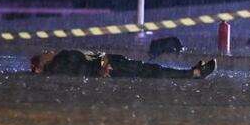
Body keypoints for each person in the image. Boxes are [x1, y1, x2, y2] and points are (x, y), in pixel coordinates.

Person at [30, 49, 216, 79]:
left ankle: (192, 72)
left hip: (111, 62)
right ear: (41, 63)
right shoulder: (58, 63)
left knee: (151, 71)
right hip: (112, 66)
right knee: (151, 72)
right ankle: (193, 74)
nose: (47, 51)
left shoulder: (60, 60)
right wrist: (101, 69)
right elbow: (80, 69)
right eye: (43, 54)